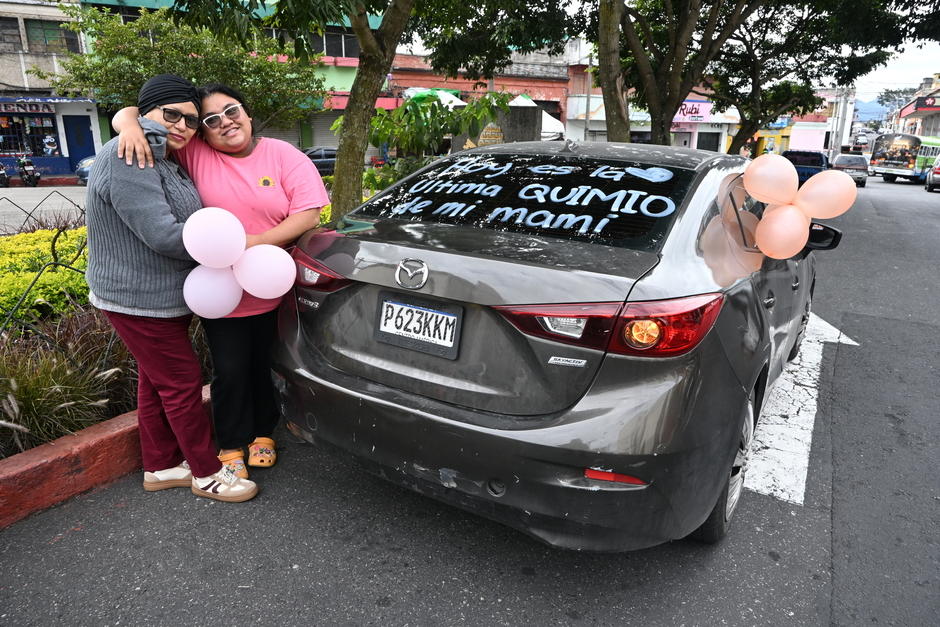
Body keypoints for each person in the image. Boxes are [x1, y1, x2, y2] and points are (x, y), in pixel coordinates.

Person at [114, 83, 329, 480]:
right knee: (228, 370)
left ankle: (263, 432)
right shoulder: (196, 152)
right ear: (204, 133)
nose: (224, 123)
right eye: (211, 121)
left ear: (247, 114)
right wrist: (127, 123)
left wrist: (254, 242)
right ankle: (231, 441)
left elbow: (308, 214)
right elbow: (147, 113)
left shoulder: (284, 155)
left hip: (270, 285)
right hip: (220, 292)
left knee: (264, 363)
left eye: (231, 111)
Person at [86, 74, 257, 502]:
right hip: (137, 299)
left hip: (160, 296)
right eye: (172, 115)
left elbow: (133, 113)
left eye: (191, 120)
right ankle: (205, 473)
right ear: (148, 113)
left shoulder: (161, 152)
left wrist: (129, 119)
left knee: (155, 382)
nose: (183, 125)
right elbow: (163, 235)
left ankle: (160, 466)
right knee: (182, 382)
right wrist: (228, 249)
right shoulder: (132, 155)